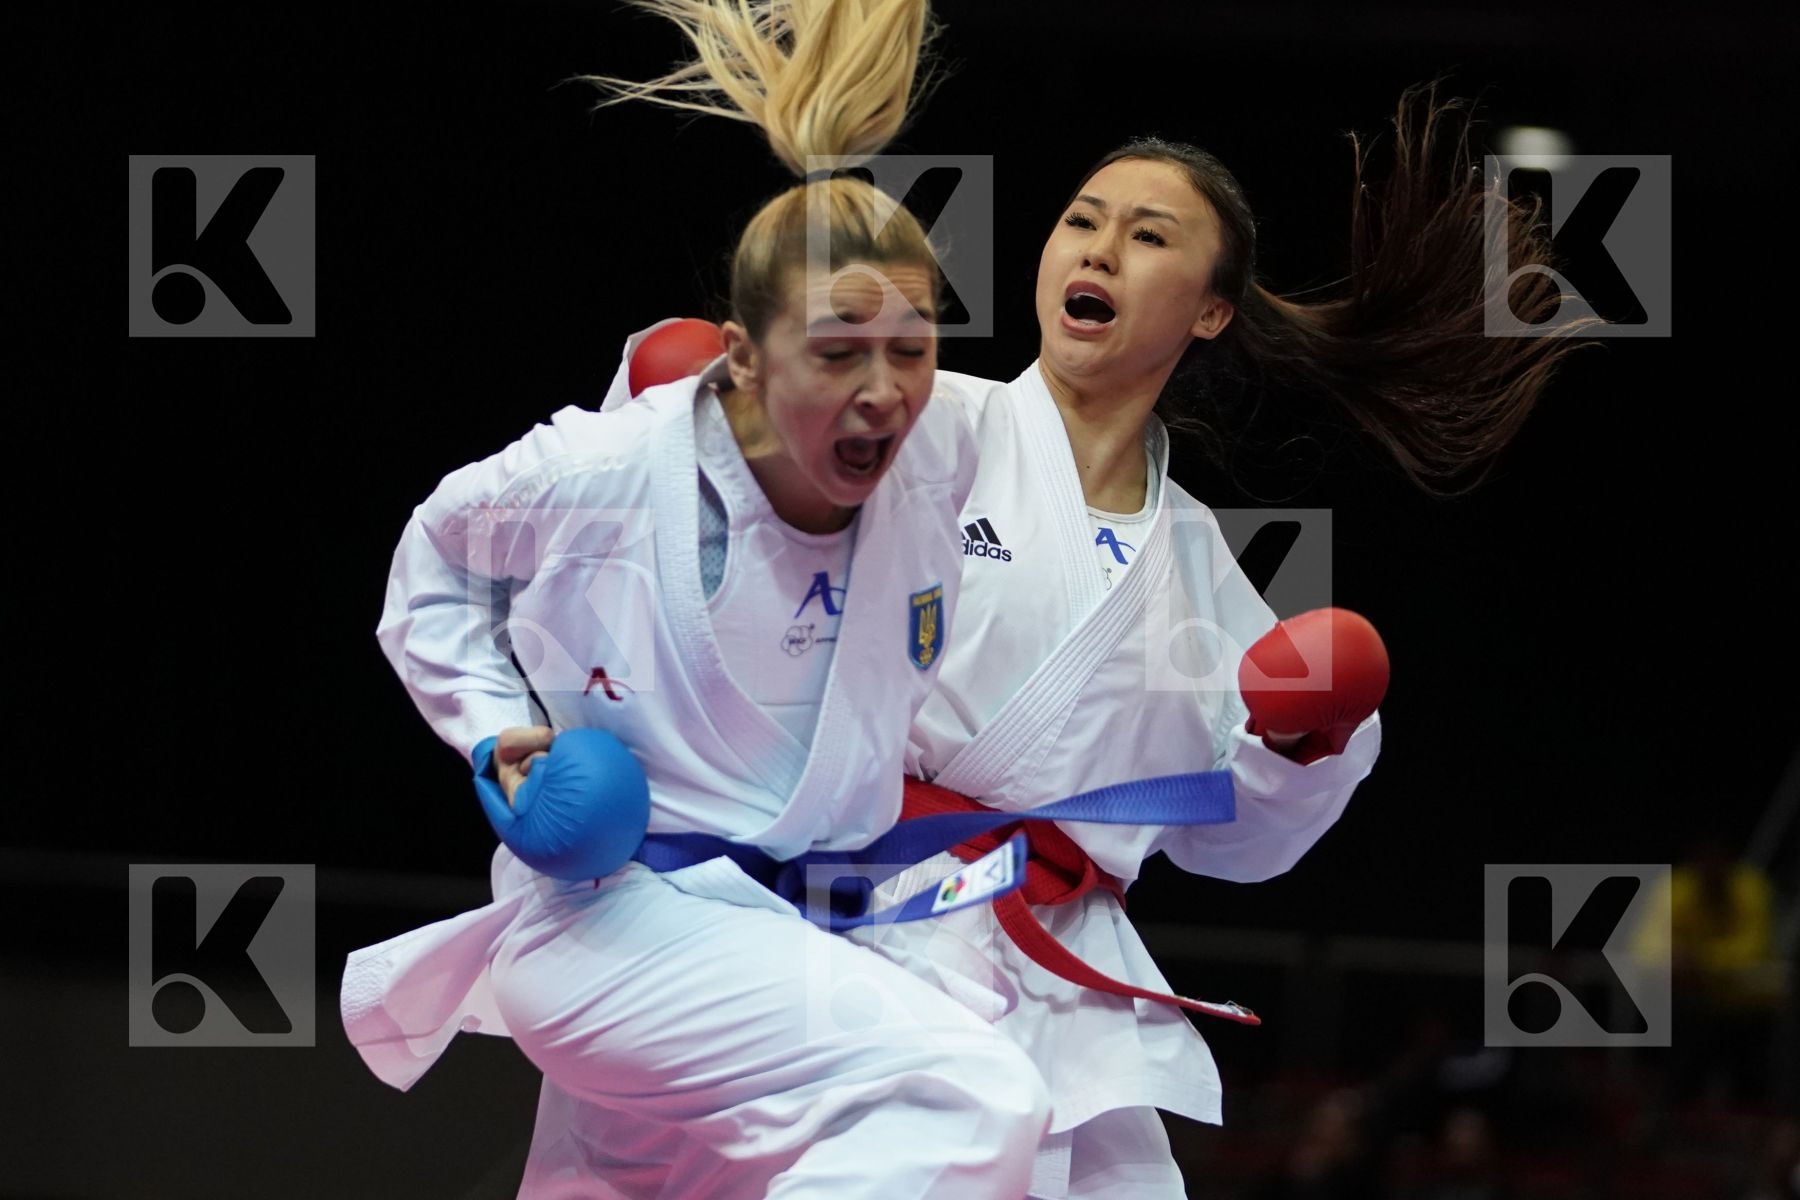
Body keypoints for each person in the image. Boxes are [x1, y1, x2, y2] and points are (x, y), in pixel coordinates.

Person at [528, 68, 1592, 1200]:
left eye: (1146, 236)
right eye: (1081, 220)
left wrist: (1302, 746)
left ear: (1210, 309)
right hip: (836, 918)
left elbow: (1238, 844)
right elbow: (711, 570)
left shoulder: (1197, 573)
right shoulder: (924, 423)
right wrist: (693, 429)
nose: (1096, 248)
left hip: (1057, 979)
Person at [337, 0, 1059, 1195]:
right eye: (837, 352)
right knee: (970, 1097)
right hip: (613, 924)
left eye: (915, 347)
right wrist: (489, 728)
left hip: (798, 932)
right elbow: (435, 564)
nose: (885, 390)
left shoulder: (945, 450)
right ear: (740, 354)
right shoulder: (607, 473)